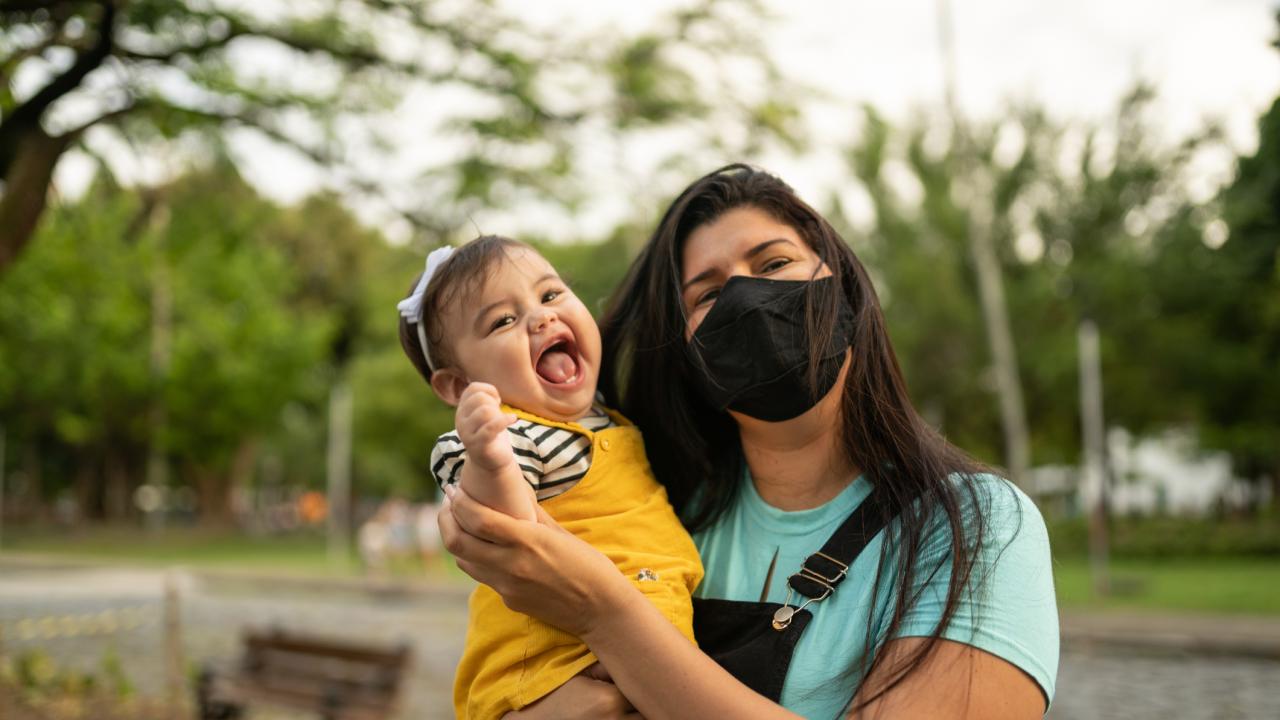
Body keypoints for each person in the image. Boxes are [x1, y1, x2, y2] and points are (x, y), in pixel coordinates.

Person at [439, 165, 1059, 719]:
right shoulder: (659, 511)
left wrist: (606, 615)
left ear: (840, 281)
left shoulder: (973, 527)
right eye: (707, 294)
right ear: (685, 347)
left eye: (773, 264)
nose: (746, 297)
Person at [396, 236, 703, 719]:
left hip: (635, 656)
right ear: (458, 384)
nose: (541, 318)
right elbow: (503, 529)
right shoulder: (513, 434)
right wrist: (489, 458)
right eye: (503, 321)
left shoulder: (606, 417)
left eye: (551, 294)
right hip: (548, 673)